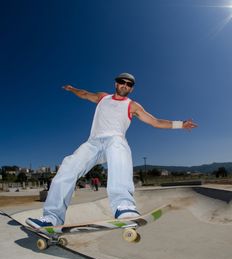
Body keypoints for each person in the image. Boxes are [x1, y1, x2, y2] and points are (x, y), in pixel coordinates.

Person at [26, 72, 197, 229]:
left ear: (131, 88)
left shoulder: (133, 106)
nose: (125, 86)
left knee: (118, 143)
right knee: (68, 166)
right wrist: (72, 89)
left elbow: (155, 122)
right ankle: (52, 218)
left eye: (129, 84)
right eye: (122, 82)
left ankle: (124, 206)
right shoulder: (102, 98)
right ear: (116, 84)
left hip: (114, 141)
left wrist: (180, 124)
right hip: (93, 143)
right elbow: (85, 94)